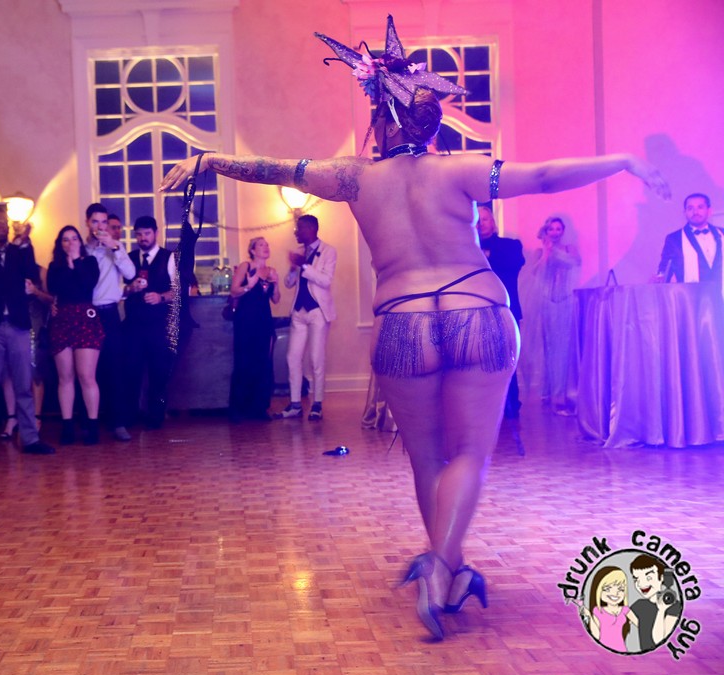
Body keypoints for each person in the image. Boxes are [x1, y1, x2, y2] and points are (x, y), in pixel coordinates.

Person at [161, 14, 669, 640]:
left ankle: (444, 568)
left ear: (381, 117)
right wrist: (622, 160)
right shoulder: (461, 170)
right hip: (478, 311)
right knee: (471, 455)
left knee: (428, 458)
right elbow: (542, 177)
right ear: (431, 124)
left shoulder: (352, 177)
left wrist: (210, 159)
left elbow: (274, 168)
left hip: (403, 322)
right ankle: (443, 568)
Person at [0, 211, 54, 458]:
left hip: (18, 325)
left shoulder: (19, 251)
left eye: (2, 225)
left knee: (24, 385)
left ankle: (30, 439)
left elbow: (31, 272)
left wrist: (24, 242)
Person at [274, 214, 337, 421]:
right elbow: (289, 283)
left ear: (311, 229)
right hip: (299, 312)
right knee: (292, 357)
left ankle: (317, 404)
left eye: (299, 228)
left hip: (318, 311)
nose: (296, 233)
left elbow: (325, 281)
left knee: (316, 358)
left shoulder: (328, 251)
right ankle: (295, 405)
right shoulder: (300, 252)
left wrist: (304, 266)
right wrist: (294, 268)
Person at [48, 225, 103, 444]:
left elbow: (88, 284)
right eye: (65, 240)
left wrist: (76, 263)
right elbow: (55, 288)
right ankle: (67, 426)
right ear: (60, 245)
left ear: (80, 242)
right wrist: (67, 265)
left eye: (74, 239)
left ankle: (93, 426)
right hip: (62, 320)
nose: (70, 243)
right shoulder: (55, 267)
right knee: (65, 377)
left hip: (85, 318)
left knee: (86, 375)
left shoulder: (90, 262)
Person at [86, 204, 136, 442]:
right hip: (85, 314)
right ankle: (90, 423)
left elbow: (131, 273)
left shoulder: (116, 247)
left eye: (103, 222)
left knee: (115, 367)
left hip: (109, 313)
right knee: (88, 372)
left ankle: (118, 423)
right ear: (88, 223)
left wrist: (114, 248)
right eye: (95, 221)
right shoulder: (80, 248)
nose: (100, 226)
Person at [123, 216, 178, 430]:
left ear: (156, 233)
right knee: (131, 370)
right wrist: (130, 289)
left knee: (158, 371)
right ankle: (130, 416)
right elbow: (119, 291)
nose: (143, 238)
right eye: (139, 234)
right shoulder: (128, 259)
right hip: (133, 324)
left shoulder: (168, 257)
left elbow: (179, 291)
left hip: (158, 324)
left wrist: (160, 297)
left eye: (147, 233)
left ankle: (156, 418)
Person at [525, 215, 580, 415]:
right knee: (548, 346)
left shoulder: (570, 249)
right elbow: (535, 272)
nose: (555, 232)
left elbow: (574, 263)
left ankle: (561, 394)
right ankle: (548, 391)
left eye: (558, 229)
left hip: (565, 301)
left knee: (563, 348)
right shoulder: (540, 252)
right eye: (551, 229)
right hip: (546, 302)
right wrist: (547, 252)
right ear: (546, 231)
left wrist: (555, 251)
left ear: (563, 231)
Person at [476, 205, 526, 418]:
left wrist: (485, 256)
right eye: (477, 220)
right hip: (477, 312)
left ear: (493, 222)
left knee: (508, 358)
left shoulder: (510, 245)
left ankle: (510, 403)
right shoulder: (466, 250)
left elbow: (511, 267)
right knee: (479, 361)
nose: (480, 223)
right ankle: (485, 406)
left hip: (506, 309)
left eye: (485, 219)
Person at [228, 236, 280, 422]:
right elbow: (234, 291)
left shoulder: (271, 271)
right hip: (245, 320)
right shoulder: (246, 266)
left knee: (262, 363)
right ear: (252, 250)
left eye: (267, 245)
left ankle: (259, 408)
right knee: (243, 362)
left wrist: (276, 284)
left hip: (263, 320)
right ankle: (238, 409)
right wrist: (248, 286)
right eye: (261, 245)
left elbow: (276, 299)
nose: (266, 247)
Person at [655, 193, 721, 285]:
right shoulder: (674, 239)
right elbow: (664, 270)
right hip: (691, 293)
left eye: (700, 207)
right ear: (685, 213)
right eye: (690, 208)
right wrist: (659, 278)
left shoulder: (722, 233)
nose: (695, 212)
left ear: (709, 211)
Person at [576, 565, 637, 652]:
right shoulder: (598, 611)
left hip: (621, 650)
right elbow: (596, 635)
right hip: (602, 650)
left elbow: (642, 625)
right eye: (607, 589)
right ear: (598, 590)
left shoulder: (625, 610)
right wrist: (589, 616)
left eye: (621, 589)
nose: (615, 593)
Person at [629, 555, 682, 653]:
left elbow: (659, 641)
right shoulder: (639, 605)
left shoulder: (674, 606)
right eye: (636, 579)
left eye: (648, 577)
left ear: (661, 578)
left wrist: (661, 610)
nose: (641, 584)